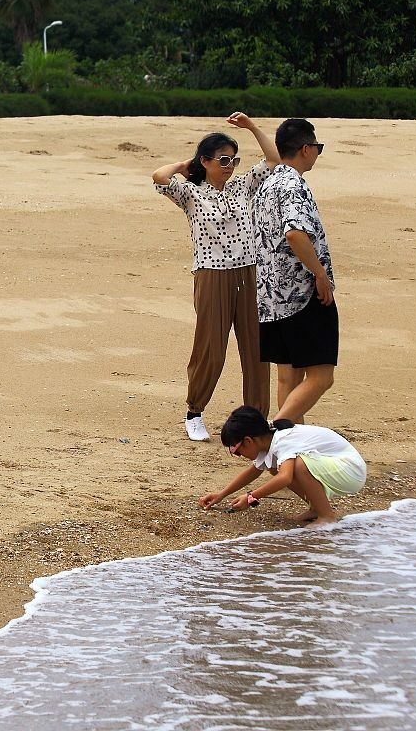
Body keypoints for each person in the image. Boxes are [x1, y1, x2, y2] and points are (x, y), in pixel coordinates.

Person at [152, 113, 279, 442]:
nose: (230, 166)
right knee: (212, 348)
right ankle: (195, 411)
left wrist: (251, 127)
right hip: (211, 275)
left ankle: (256, 418)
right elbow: (159, 175)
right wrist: (186, 164)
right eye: (223, 159)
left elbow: (274, 159)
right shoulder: (192, 194)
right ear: (205, 161)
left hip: (249, 272)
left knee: (256, 348)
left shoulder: (242, 186)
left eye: (234, 160)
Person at [253, 119, 335, 423]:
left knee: (288, 377)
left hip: (271, 296)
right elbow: (295, 234)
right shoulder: (292, 185)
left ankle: (290, 448)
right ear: (305, 148)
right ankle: (280, 428)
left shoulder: (269, 183)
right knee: (321, 376)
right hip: (300, 293)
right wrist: (319, 274)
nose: (316, 153)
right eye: (317, 148)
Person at [199, 405, 366, 525]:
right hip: (337, 466)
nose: (238, 455)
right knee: (275, 468)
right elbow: (253, 471)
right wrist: (221, 495)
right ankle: (316, 508)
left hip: (351, 470)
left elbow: (285, 478)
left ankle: (326, 516)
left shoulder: (283, 440)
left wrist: (250, 498)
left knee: (298, 466)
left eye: (236, 450)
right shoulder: (267, 439)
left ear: (248, 441)